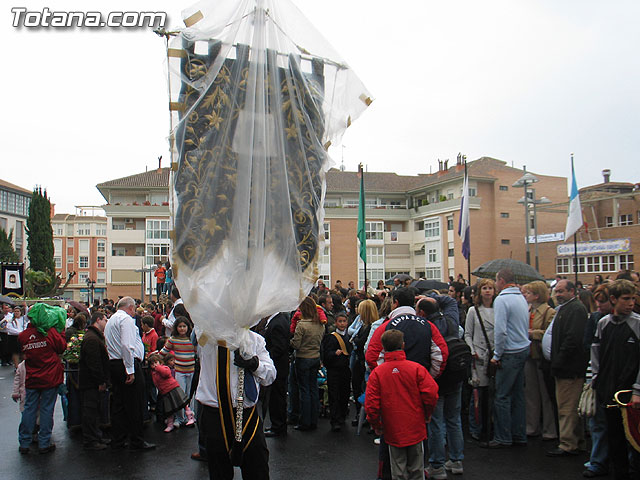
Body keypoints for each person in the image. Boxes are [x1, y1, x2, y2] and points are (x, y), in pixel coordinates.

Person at [195, 329, 276, 479]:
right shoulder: (207, 337)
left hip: (248, 415)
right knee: (219, 472)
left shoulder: (255, 339)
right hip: (215, 416)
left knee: (258, 470)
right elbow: (199, 317)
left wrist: (255, 364)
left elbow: (270, 375)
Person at [366, 329, 439, 480]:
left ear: (384, 347)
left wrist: (376, 424)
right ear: (403, 345)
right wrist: (427, 414)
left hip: (392, 428)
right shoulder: (416, 368)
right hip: (415, 424)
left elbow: (372, 404)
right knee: (417, 468)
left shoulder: (378, 373)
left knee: (398, 470)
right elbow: (431, 393)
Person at [591, 279, 640, 479]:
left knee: (634, 440)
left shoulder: (637, 324)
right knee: (614, 438)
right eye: (625, 299)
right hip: (608, 390)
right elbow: (595, 351)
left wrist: (638, 390)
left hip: (631, 393)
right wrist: (596, 380)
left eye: (633, 299)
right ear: (613, 299)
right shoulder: (603, 323)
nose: (630, 303)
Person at [481, 268, 530, 449]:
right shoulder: (521, 298)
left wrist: (496, 355)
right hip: (522, 348)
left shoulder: (502, 300)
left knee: (501, 396)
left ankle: (503, 437)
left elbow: (500, 331)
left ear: (501, 280)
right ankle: (518, 434)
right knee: (517, 396)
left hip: (509, 351)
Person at [104, 296, 155, 451]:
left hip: (115, 363)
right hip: (126, 363)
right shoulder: (125, 320)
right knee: (135, 404)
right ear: (131, 307)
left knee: (119, 403)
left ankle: (118, 439)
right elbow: (126, 345)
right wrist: (130, 370)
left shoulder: (111, 319)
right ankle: (137, 441)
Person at [17, 306, 67, 454]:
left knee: (29, 409)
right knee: (46, 409)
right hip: (50, 377)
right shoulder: (50, 333)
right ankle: (44, 442)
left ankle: (24, 441)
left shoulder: (23, 336)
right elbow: (61, 347)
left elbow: (24, 353)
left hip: (32, 376)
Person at [547, 280, 588, 457]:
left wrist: (558, 361)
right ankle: (576, 441)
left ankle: (567, 444)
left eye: (561, 291)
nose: (558, 295)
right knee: (569, 407)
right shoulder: (566, 308)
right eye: (556, 291)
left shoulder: (576, 310)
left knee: (566, 407)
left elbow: (572, 339)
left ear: (572, 291)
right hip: (565, 366)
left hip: (569, 368)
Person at [522, 281, 557, 441]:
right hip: (529, 356)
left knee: (545, 394)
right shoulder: (527, 310)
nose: (525, 295)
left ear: (537, 295)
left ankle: (550, 429)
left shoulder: (549, 312)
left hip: (541, 357)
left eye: (528, 293)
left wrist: (532, 333)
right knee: (531, 394)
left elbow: (549, 333)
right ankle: (531, 426)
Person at [583, 284, 612, 478]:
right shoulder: (597, 319)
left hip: (616, 379)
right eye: (597, 301)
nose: (599, 305)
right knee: (598, 422)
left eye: (604, 301)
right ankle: (598, 459)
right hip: (599, 377)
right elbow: (590, 347)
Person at [464, 278, 496, 442]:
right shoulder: (473, 311)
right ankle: (476, 427)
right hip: (478, 356)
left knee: (492, 395)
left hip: (494, 356)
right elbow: (468, 334)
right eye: (484, 288)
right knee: (477, 395)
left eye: (490, 288)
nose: (488, 291)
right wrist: (472, 350)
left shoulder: (499, 309)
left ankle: (490, 426)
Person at [290, 297, 325, 431]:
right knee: (313, 389)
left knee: (304, 390)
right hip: (315, 357)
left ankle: (305, 421)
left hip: (303, 357)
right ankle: (313, 420)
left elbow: (296, 344)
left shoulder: (302, 325)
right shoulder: (320, 324)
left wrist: (290, 342)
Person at [79, 311, 110, 450]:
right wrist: (100, 381)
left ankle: (96, 436)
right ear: (98, 320)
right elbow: (94, 363)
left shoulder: (93, 336)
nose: (106, 322)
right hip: (91, 382)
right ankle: (91, 439)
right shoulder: (92, 339)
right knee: (90, 411)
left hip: (91, 381)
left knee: (94, 410)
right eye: (105, 320)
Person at [160, 316, 197, 427]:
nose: (182, 329)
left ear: (188, 327)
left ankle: (190, 417)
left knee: (189, 394)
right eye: (180, 326)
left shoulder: (192, 339)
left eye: (184, 326)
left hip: (191, 370)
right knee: (180, 396)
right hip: (179, 371)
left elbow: (198, 352)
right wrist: (156, 360)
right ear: (176, 327)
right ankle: (180, 418)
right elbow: (164, 351)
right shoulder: (173, 339)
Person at [320, 313, 352, 432]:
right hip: (334, 370)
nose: (342, 324)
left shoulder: (348, 336)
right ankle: (335, 420)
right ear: (336, 323)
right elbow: (326, 354)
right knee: (334, 395)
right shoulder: (331, 337)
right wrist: (334, 353)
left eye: (344, 321)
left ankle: (342, 416)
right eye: (340, 321)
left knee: (345, 394)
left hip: (345, 369)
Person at [262, 312, 291, 438]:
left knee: (276, 398)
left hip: (277, 367)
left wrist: (266, 359)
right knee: (278, 397)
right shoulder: (280, 319)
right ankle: (278, 425)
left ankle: (278, 426)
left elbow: (279, 348)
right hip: (280, 366)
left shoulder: (277, 323)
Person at [149, 353, 189, 433]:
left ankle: (189, 416)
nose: (154, 365)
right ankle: (170, 424)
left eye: (156, 363)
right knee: (169, 409)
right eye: (152, 364)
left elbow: (166, 373)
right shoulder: (154, 373)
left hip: (173, 388)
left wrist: (158, 367)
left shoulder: (164, 368)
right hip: (165, 392)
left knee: (182, 403)